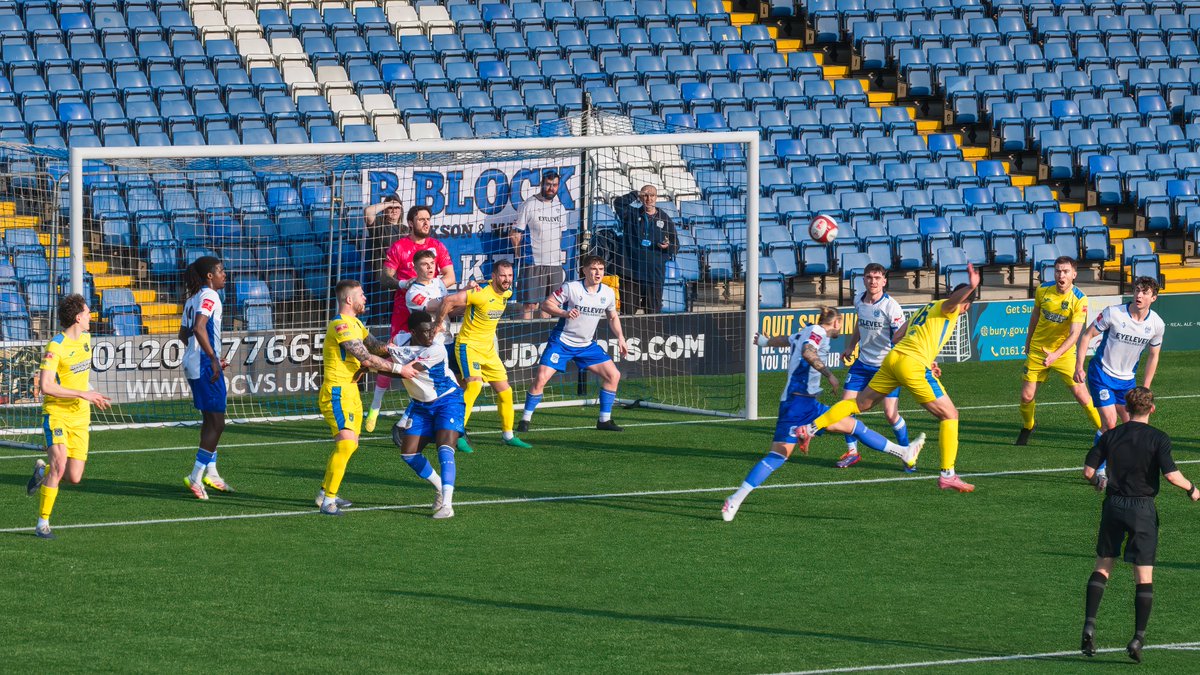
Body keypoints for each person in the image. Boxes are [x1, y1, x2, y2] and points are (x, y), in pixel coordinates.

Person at [721, 307, 925, 521]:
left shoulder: (807, 330)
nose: (840, 329)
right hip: (796, 404)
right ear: (836, 322)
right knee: (778, 455)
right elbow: (808, 351)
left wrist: (765, 342)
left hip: (809, 403)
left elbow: (787, 340)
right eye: (841, 324)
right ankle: (735, 499)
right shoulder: (817, 332)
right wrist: (830, 375)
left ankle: (903, 453)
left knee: (854, 427)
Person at [795, 264, 982, 493]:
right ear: (966, 303)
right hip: (910, 364)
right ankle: (947, 474)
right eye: (967, 306)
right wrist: (972, 286)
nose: (964, 310)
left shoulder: (928, 307)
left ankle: (810, 429)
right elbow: (954, 302)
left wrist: (924, 358)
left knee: (858, 404)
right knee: (950, 415)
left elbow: (899, 335)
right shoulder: (948, 307)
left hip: (892, 359)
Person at [1080, 387, 1198, 663]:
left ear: (1126, 409)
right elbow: (1171, 475)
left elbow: (1088, 471)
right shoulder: (1158, 438)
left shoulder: (1110, 435)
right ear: (1152, 409)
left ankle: (1089, 624)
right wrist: (1192, 488)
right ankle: (1137, 638)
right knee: (1143, 576)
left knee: (1102, 566)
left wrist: (1098, 482)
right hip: (1142, 510)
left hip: (1114, 506)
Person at [25, 294, 112, 539]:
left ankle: (41, 473)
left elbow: (80, 378)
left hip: (80, 417)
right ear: (77, 317)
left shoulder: (87, 339)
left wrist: (92, 394)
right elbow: (47, 386)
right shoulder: (56, 346)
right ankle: (42, 523)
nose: (90, 315)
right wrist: (82, 394)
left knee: (74, 477)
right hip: (57, 413)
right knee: (60, 466)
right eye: (87, 312)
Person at [365, 205, 456, 433]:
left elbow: (451, 276)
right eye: (421, 219)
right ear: (410, 223)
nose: (426, 223)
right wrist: (404, 285)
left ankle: (413, 416)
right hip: (404, 312)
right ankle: (375, 406)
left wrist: (429, 291)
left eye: (428, 219)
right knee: (393, 355)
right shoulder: (399, 247)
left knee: (429, 361)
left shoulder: (437, 246)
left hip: (429, 315)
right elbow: (385, 278)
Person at [519, 255, 628, 432]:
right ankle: (525, 419)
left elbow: (613, 316)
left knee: (613, 375)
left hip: (586, 345)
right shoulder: (572, 288)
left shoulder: (607, 292)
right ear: (584, 270)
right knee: (541, 378)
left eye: (600, 269)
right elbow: (546, 305)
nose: (597, 273)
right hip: (562, 342)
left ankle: (604, 420)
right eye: (593, 269)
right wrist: (564, 313)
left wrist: (621, 338)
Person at [315, 280, 397, 516]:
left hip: (351, 392)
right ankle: (328, 501)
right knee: (347, 443)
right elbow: (366, 357)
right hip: (337, 391)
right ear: (349, 300)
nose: (365, 298)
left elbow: (376, 346)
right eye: (361, 295)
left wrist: (398, 347)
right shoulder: (340, 325)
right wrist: (400, 369)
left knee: (350, 445)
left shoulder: (357, 324)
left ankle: (325, 492)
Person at [433, 259, 531, 452]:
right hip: (468, 346)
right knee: (474, 386)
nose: (507, 279)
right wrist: (438, 324)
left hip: (488, 350)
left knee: (506, 391)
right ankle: (457, 434)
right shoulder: (480, 294)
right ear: (494, 276)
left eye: (510, 275)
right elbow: (448, 301)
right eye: (502, 275)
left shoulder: (507, 293)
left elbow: (495, 287)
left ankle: (508, 435)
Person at [1016, 256, 1102, 445]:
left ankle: (1107, 432)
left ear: (1074, 274)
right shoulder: (1042, 290)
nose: (1060, 275)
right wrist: (1028, 341)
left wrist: (1056, 355)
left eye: (1065, 271)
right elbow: (1035, 315)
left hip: (1064, 353)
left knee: (1082, 395)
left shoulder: (1079, 299)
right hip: (1039, 350)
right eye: (1057, 271)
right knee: (1026, 396)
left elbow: (1075, 334)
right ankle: (1029, 425)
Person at [389, 310, 467, 519]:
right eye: (425, 331)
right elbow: (388, 353)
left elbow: (406, 370)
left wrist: (370, 365)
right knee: (408, 454)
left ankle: (447, 505)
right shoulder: (401, 339)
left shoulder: (437, 349)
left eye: (432, 329)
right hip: (421, 405)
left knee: (444, 449)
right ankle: (440, 488)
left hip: (447, 400)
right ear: (412, 332)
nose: (430, 334)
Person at [835, 263, 913, 470]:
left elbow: (901, 337)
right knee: (844, 408)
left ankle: (907, 454)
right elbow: (860, 324)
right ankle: (852, 452)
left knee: (890, 414)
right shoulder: (859, 300)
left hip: (886, 367)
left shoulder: (891, 307)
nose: (873, 281)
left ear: (884, 281)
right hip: (862, 364)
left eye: (877, 278)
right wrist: (851, 346)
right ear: (864, 279)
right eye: (869, 277)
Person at [1075, 276, 1164, 434]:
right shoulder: (1113, 313)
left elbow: (1153, 355)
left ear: (1154, 298)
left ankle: (1123, 458)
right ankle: (1098, 459)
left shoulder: (1157, 324)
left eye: (1145, 292)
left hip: (1127, 381)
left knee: (1133, 426)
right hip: (1102, 374)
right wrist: (1079, 367)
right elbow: (1087, 335)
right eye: (1137, 290)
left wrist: (1145, 389)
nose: (1139, 295)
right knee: (1110, 423)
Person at [180, 256, 234, 500]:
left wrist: (206, 354)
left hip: (194, 362)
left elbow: (183, 334)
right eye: (221, 271)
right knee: (218, 423)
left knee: (210, 420)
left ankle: (211, 473)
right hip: (204, 365)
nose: (225, 275)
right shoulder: (210, 296)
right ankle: (196, 475)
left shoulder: (192, 299)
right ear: (210, 276)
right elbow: (199, 327)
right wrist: (212, 357)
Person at [510, 170, 567, 319]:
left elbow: (561, 234)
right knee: (530, 304)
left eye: (554, 185)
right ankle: (524, 339)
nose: (551, 188)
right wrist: (520, 255)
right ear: (542, 184)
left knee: (550, 305)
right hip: (533, 262)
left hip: (554, 264)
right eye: (548, 184)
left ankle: (543, 340)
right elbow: (515, 233)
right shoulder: (529, 204)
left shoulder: (560, 207)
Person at [612, 185, 678, 314]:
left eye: (652, 195)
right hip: (631, 272)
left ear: (656, 197)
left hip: (654, 274)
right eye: (645, 195)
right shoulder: (631, 214)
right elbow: (618, 203)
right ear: (641, 197)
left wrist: (667, 246)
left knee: (653, 312)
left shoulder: (665, 219)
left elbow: (676, 246)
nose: (649, 199)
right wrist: (635, 194)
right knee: (628, 312)